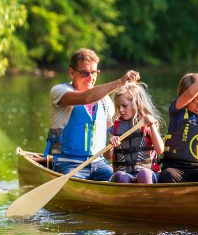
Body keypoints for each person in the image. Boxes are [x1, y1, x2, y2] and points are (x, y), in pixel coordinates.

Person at [44, 48, 140, 181]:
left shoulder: (106, 101)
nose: (90, 78)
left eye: (94, 72)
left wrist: (114, 144)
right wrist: (120, 82)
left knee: (121, 180)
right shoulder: (59, 91)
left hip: (99, 164)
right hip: (67, 163)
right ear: (71, 72)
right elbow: (85, 98)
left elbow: (108, 148)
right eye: (85, 73)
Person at [108, 83, 165, 184]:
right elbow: (108, 156)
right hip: (126, 175)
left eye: (124, 106)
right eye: (118, 106)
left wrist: (152, 126)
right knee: (120, 177)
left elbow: (160, 150)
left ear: (137, 104)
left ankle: (147, 198)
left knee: (144, 175)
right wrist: (110, 145)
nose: (120, 110)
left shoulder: (148, 124)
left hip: (149, 174)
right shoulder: (114, 129)